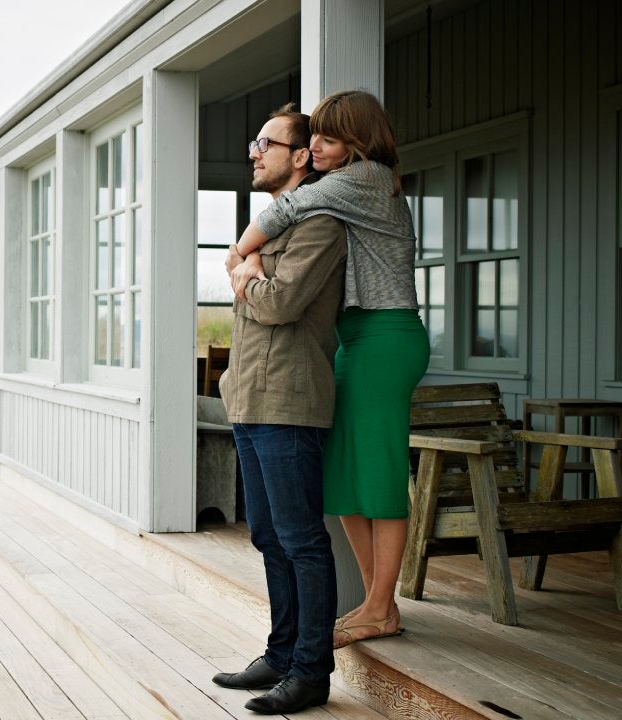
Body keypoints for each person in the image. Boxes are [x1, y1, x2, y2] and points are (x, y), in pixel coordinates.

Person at [226, 90, 430, 650]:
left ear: (358, 144)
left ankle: (382, 606)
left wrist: (240, 255)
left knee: (381, 474)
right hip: (355, 337)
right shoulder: (339, 191)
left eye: (328, 138)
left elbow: (286, 210)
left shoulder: (368, 175)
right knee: (342, 478)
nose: (315, 146)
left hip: (386, 337)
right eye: (312, 136)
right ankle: (373, 602)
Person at [212, 103, 345, 715]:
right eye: (253, 142)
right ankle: (281, 653)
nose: (253, 152)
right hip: (250, 400)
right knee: (267, 535)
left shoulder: (318, 226)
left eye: (266, 143)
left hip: (291, 403)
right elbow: (252, 295)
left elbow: (280, 306)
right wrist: (250, 269)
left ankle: (311, 673)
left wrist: (248, 272)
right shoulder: (265, 230)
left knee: (301, 540)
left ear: (300, 157)